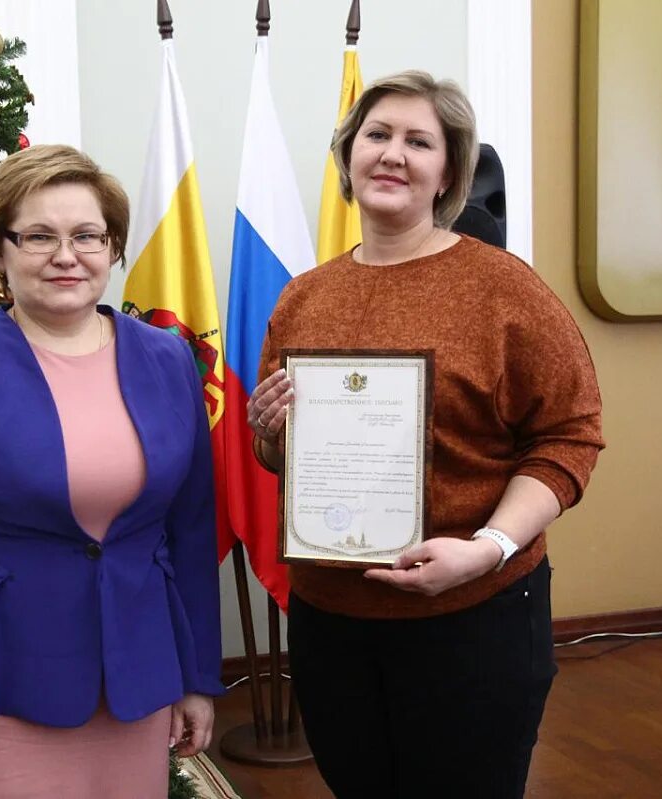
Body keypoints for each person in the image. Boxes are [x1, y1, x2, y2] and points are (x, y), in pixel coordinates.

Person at [247, 71, 604, 798]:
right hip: (330, 619)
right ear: (349, 156)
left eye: (419, 141)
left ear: (448, 172)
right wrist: (270, 431)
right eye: (377, 135)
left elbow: (569, 436)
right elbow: (287, 457)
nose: (393, 154)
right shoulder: (304, 296)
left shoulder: (505, 288)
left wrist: (487, 548)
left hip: (473, 614)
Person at [0, 144, 223, 798]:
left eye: (88, 234)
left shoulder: (168, 359)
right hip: (1, 681)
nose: (67, 254)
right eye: (38, 236)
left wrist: (197, 674)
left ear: (111, 247)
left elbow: (193, 530)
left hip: (136, 679)